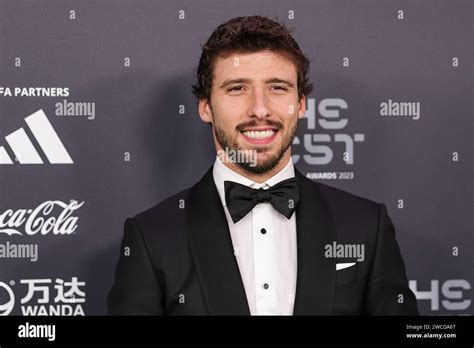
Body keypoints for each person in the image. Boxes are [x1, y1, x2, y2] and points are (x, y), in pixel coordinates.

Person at [108, 15, 418, 315]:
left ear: (300, 105)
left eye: (277, 88)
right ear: (206, 107)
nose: (259, 109)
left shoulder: (366, 226)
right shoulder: (151, 238)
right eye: (237, 88)